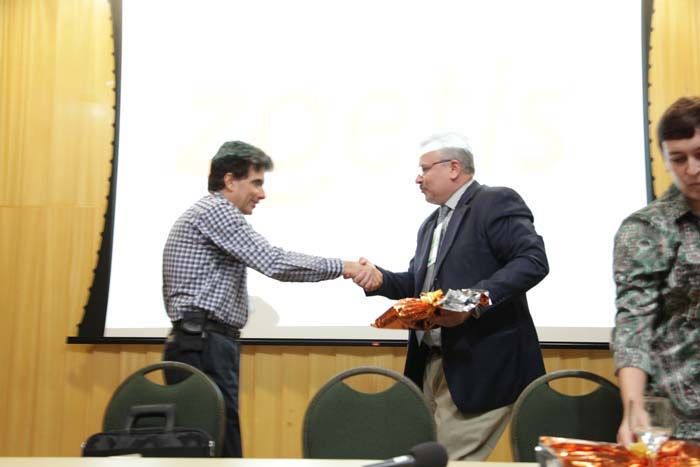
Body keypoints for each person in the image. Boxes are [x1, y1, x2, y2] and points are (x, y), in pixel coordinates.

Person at [161, 141, 377, 457]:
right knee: (216, 445)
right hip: (203, 344)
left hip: (202, 342)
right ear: (230, 181)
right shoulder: (217, 211)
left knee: (210, 443)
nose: (262, 194)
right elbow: (274, 262)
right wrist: (345, 267)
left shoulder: (208, 213)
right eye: (256, 183)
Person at [353, 132, 549, 460]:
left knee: (450, 461)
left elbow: (532, 261)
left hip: (481, 365)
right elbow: (421, 288)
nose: (418, 178)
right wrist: (380, 280)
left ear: (454, 168)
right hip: (432, 365)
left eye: (424, 169)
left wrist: (470, 302)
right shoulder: (431, 224)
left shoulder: (494, 201)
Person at [612, 96, 700, 444]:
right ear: (663, 159)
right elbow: (634, 325)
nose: (691, 169)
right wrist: (633, 411)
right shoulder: (646, 229)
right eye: (678, 159)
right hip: (680, 422)